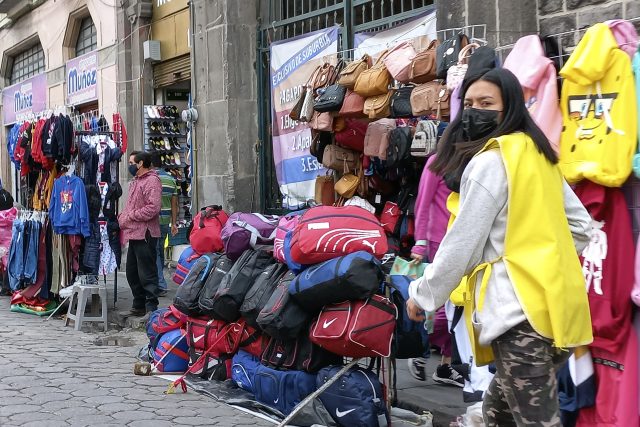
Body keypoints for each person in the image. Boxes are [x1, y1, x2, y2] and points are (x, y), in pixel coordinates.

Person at [406, 68, 593, 426]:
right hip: (557, 312)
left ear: (509, 109)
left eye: (487, 103)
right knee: (497, 414)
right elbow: (581, 228)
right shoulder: (538, 155)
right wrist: (544, 254)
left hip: (519, 318)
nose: (475, 111)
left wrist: (423, 295)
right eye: (471, 103)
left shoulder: (491, 162)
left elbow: (462, 244)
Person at [119, 151, 162, 316]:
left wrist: (131, 216)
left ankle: (151, 307)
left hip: (146, 233)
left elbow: (153, 208)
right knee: (132, 271)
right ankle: (138, 304)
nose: (129, 165)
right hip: (133, 233)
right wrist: (123, 217)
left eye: (131, 162)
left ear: (141, 163)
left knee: (147, 272)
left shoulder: (152, 181)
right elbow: (130, 205)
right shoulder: (135, 181)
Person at [151, 154, 179, 297]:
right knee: (160, 252)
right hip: (165, 221)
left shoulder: (151, 179)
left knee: (155, 252)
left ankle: (160, 284)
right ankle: (158, 280)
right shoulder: (171, 179)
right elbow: (175, 204)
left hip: (153, 221)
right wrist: (173, 223)